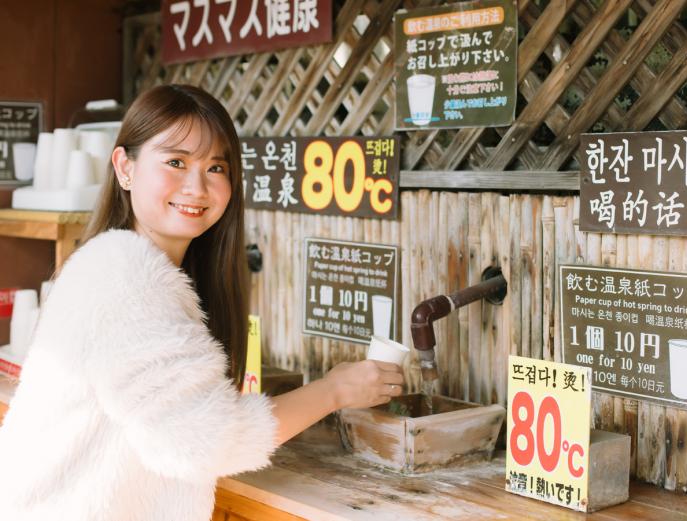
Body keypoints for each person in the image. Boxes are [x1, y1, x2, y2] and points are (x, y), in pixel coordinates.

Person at [0, 84, 405, 521]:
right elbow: (207, 442)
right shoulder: (123, 277)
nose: (196, 186)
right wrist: (336, 390)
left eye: (215, 167)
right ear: (125, 168)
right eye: (176, 162)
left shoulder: (130, 266)